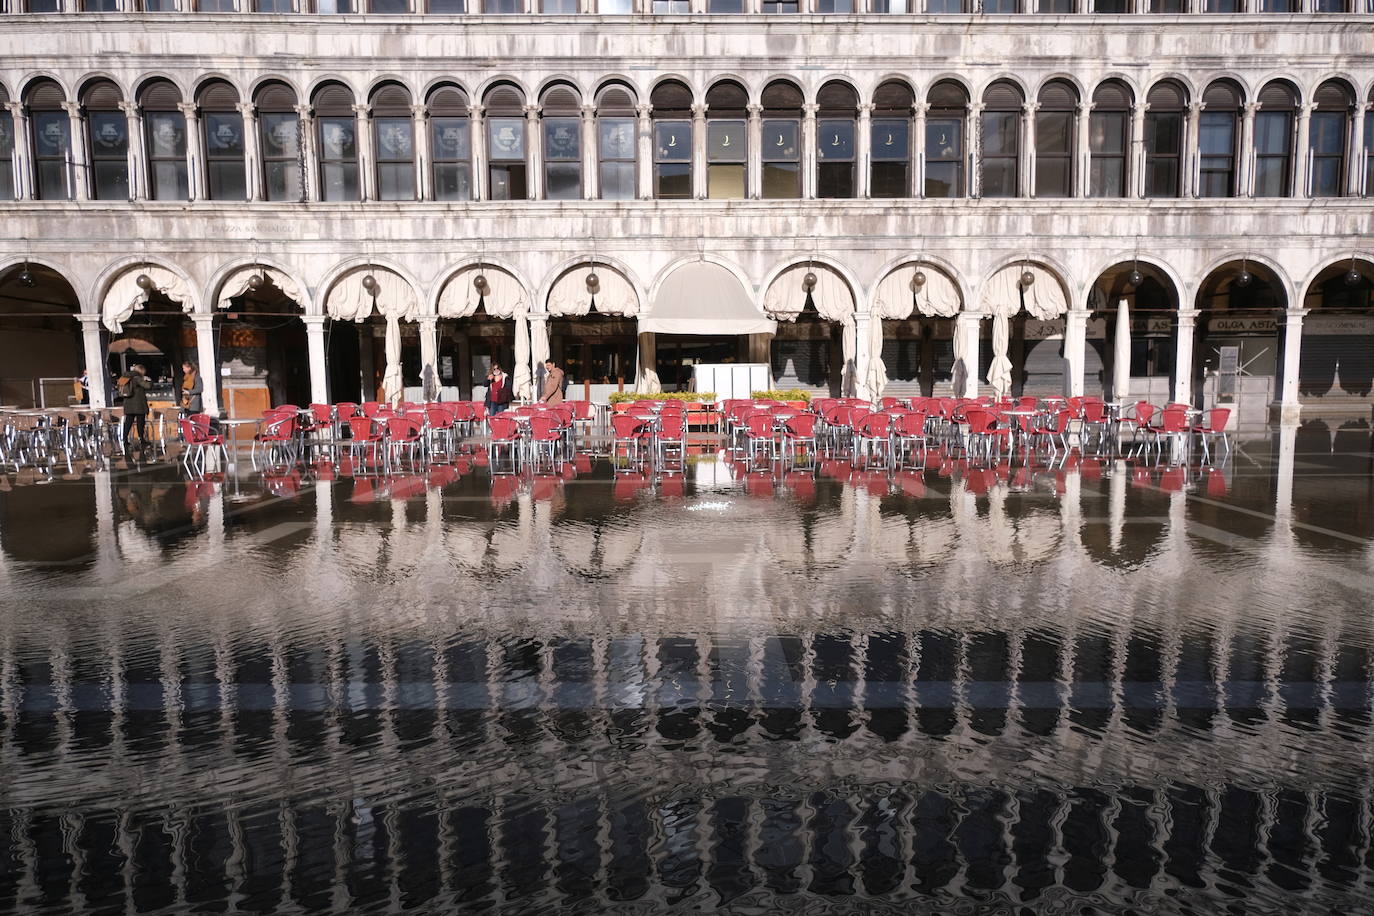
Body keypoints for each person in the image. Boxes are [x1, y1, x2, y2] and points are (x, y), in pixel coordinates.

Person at [119, 364, 152, 447]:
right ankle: (141, 439)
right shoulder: (137, 378)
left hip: (128, 404)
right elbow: (147, 386)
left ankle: (124, 439)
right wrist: (149, 380)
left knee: (128, 422)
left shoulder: (125, 377)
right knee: (140, 423)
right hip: (138, 404)